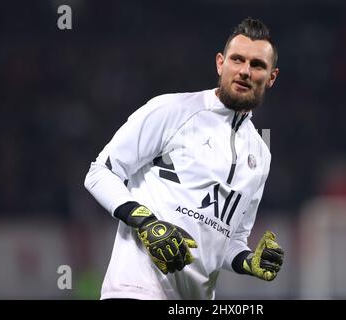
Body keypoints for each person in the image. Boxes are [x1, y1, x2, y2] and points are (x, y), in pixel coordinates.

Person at [84, 17, 284, 300]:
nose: (244, 71)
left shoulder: (260, 154)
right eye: (237, 60)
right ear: (220, 63)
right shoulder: (172, 110)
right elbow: (100, 172)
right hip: (134, 289)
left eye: (257, 65)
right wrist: (146, 222)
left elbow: (228, 240)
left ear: (271, 77)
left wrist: (248, 261)